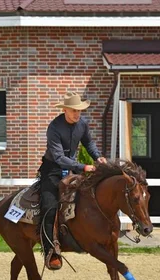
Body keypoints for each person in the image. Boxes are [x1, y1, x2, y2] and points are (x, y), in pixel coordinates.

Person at [39, 92, 107, 270]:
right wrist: (83, 167)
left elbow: (88, 143)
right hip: (51, 170)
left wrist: (98, 157)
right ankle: (50, 251)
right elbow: (59, 157)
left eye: (80, 111)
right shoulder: (54, 127)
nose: (78, 114)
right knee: (49, 206)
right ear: (65, 110)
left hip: (70, 170)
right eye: (74, 111)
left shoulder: (82, 124)